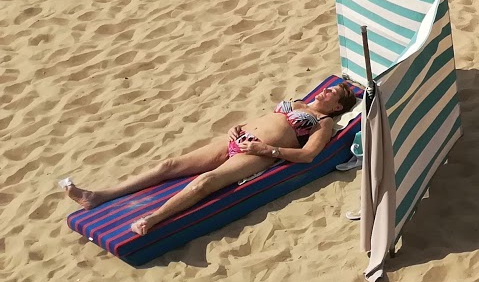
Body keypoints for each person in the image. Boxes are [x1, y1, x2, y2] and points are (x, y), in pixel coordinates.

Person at [61, 80, 360, 236]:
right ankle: (98, 196)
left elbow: (308, 156)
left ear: (336, 107)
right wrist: (238, 127)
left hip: (258, 154)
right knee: (169, 166)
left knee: (205, 182)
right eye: (329, 87)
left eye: (333, 92)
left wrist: (267, 151)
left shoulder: (323, 124)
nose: (326, 91)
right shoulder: (297, 102)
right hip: (237, 139)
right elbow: (265, 118)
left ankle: (153, 218)